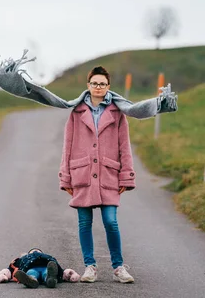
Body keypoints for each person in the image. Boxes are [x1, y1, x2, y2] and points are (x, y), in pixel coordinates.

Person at [58, 66, 136, 284]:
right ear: (88, 86)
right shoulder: (76, 112)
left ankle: (119, 267)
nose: (98, 87)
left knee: (111, 221)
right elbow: (68, 145)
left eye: (102, 84)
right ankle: (89, 266)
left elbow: (124, 146)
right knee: (84, 223)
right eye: (94, 83)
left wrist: (126, 176)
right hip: (81, 173)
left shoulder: (117, 112)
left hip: (108, 174)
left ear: (108, 87)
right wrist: (66, 176)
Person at [0, 248, 81, 288]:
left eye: (38, 251)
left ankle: (50, 279)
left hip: (46, 268)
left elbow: (62, 271)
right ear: (28, 253)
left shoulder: (47, 258)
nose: (35, 251)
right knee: (31, 273)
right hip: (31, 268)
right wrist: (3, 275)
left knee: (47, 272)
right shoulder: (22, 259)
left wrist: (70, 274)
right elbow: (10, 269)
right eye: (32, 251)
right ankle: (32, 280)